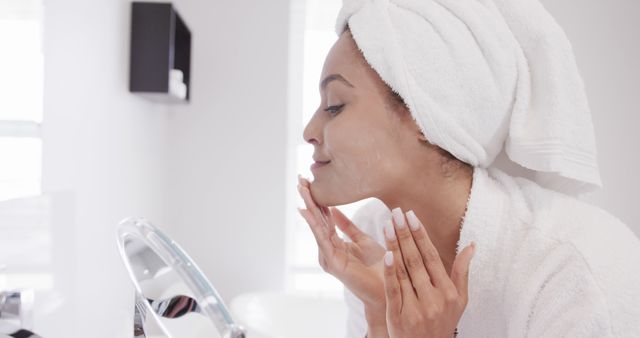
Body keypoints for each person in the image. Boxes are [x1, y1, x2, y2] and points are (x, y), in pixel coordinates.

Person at [296, 0, 640, 337]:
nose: (309, 132)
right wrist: (379, 316)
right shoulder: (374, 240)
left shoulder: (576, 275)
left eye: (335, 106)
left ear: (423, 116)